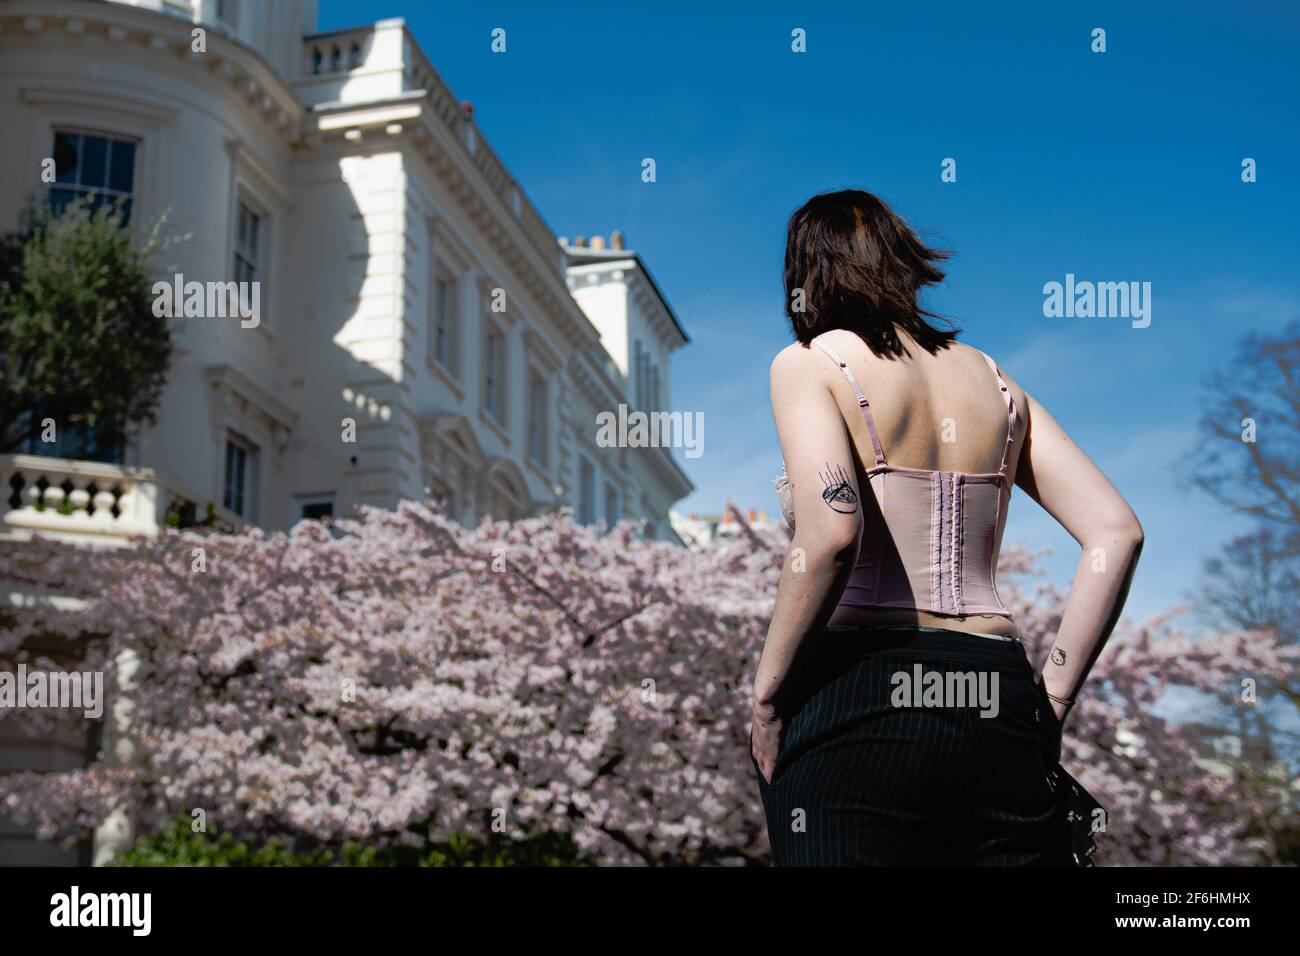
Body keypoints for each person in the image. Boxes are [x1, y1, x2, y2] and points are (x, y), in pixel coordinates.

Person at [750, 189, 1143, 865]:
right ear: (902, 262)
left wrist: (766, 696)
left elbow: (833, 533)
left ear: (806, 273)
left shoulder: (812, 363)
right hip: (998, 695)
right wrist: (1051, 697)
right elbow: (1116, 531)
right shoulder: (996, 381)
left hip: (861, 691)